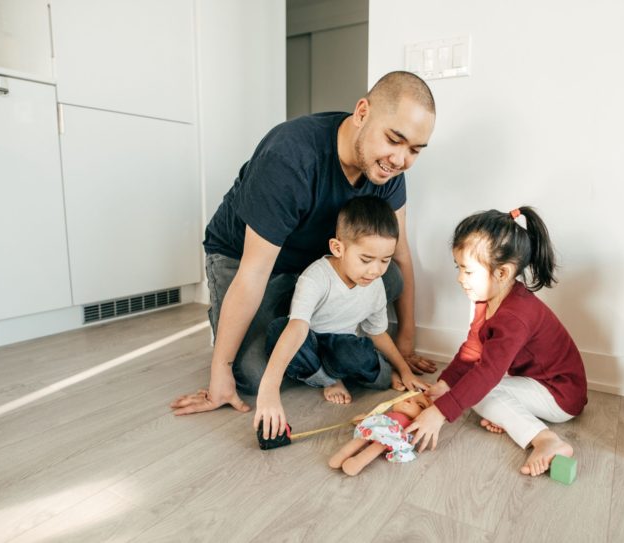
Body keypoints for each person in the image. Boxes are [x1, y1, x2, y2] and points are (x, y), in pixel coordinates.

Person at [171, 71, 437, 417]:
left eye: (415, 150)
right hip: (246, 260)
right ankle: (255, 325)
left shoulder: (387, 173)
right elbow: (253, 272)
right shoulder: (290, 156)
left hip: (313, 265)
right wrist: (219, 374)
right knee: (250, 374)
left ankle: (302, 326)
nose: (400, 160)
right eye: (393, 139)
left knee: (391, 279)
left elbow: (399, 257)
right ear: (361, 113)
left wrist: (404, 346)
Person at [405, 207, 588, 477]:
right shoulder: (486, 299)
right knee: (472, 393)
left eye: (467, 271)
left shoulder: (515, 316)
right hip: (536, 383)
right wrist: (444, 385)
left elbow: (487, 373)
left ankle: (546, 439)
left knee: (478, 393)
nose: (459, 278)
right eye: (458, 268)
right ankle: (513, 418)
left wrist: (439, 414)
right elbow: (471, 351)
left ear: (502, 273)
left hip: (560, 394)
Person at [256, 196, 429, 439]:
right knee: (278, 331)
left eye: (385, 260)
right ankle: (329, 380)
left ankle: (369, 373)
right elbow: (296, 328)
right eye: (366, 260)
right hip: (310, 342)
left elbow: (377, 332)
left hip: (342, 346)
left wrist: (404, 369)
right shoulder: (315, 278)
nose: (376, 270)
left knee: (354, 353)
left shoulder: (376, 284)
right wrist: (269, 387)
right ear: (338, 248)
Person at [329, 392, 432, 476]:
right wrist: (364, 418)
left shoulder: (411, 425)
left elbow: (415, 435)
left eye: (420, 405)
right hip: (374, 427)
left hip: (391, 436)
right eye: (406, 396)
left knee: (380, 444)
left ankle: (357, 462)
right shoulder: (385, 414)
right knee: (364, 435)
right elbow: (373, 417)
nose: (409, 400)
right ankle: (341, 455)